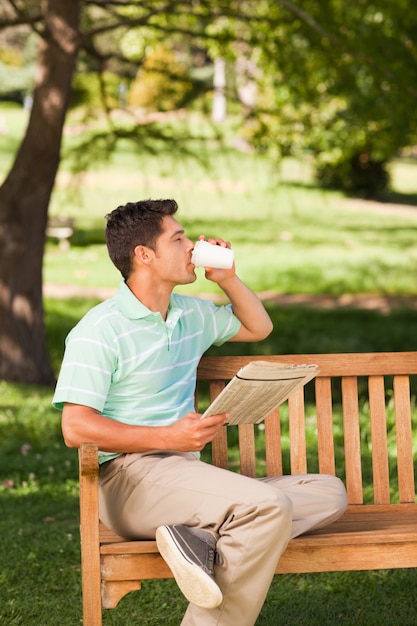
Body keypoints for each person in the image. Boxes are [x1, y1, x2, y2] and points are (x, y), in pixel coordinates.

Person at [53, 199, 347, 626]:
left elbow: (257, 328)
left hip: (181, 476)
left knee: (329, 494)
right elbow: (75, 427)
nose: (192, 246)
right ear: (144, 255)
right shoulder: (100, 330)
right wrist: (167, 438)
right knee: (266, 508)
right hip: (127, 480)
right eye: (179, 238)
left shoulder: (190, 314)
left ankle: (197, 541)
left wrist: (227, 279)